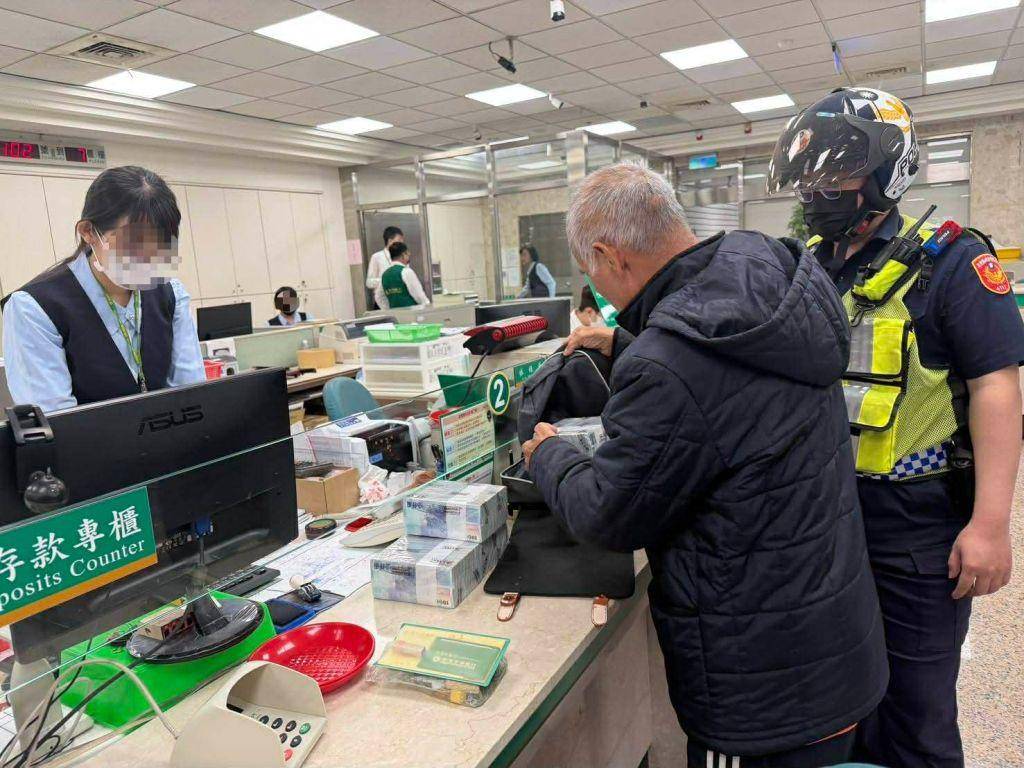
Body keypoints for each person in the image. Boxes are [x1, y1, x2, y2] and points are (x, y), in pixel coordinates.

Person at [522, 163, 887, 766]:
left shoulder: (672, 361)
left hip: (761, 688)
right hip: (829, 639)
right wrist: (628, 345)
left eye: (591, 271)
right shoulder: (769, 271)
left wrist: (549, 454)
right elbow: (727, 385)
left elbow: (610, 512)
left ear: (610, 256)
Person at [768, 87, 1023, 768]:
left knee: (916, 713)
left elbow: (997, 388)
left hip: (915, 525)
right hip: (826, 523)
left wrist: (990, 525)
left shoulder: (951, 262)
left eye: (838, 174)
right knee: (840, 706)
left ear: (888, 170)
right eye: (811, 177)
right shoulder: (811, 264)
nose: (819, 190)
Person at [1, 166, 204, 413]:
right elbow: (57, 421)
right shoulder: (35, 308)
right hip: (89, 438)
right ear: (89, 232)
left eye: (161, 244)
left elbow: (191, 396)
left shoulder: (171, 294)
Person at [379, 242, 429, 309]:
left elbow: (379, 297)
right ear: (403, 255)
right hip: (411, 313)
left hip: (394, 314)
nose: (409, 255)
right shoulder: (406, 271)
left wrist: (388, 310)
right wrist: (428, 307)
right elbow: (419, 295)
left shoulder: (384, 275)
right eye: (407, 253)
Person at [366, 226, 403, 309]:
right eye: (399, 240)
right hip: (381, 302)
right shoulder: (377, 257)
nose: (402, 242)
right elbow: (369, 282)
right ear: (390, 241)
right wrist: (386, 280)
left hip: (399, 301)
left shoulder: (402, 257)